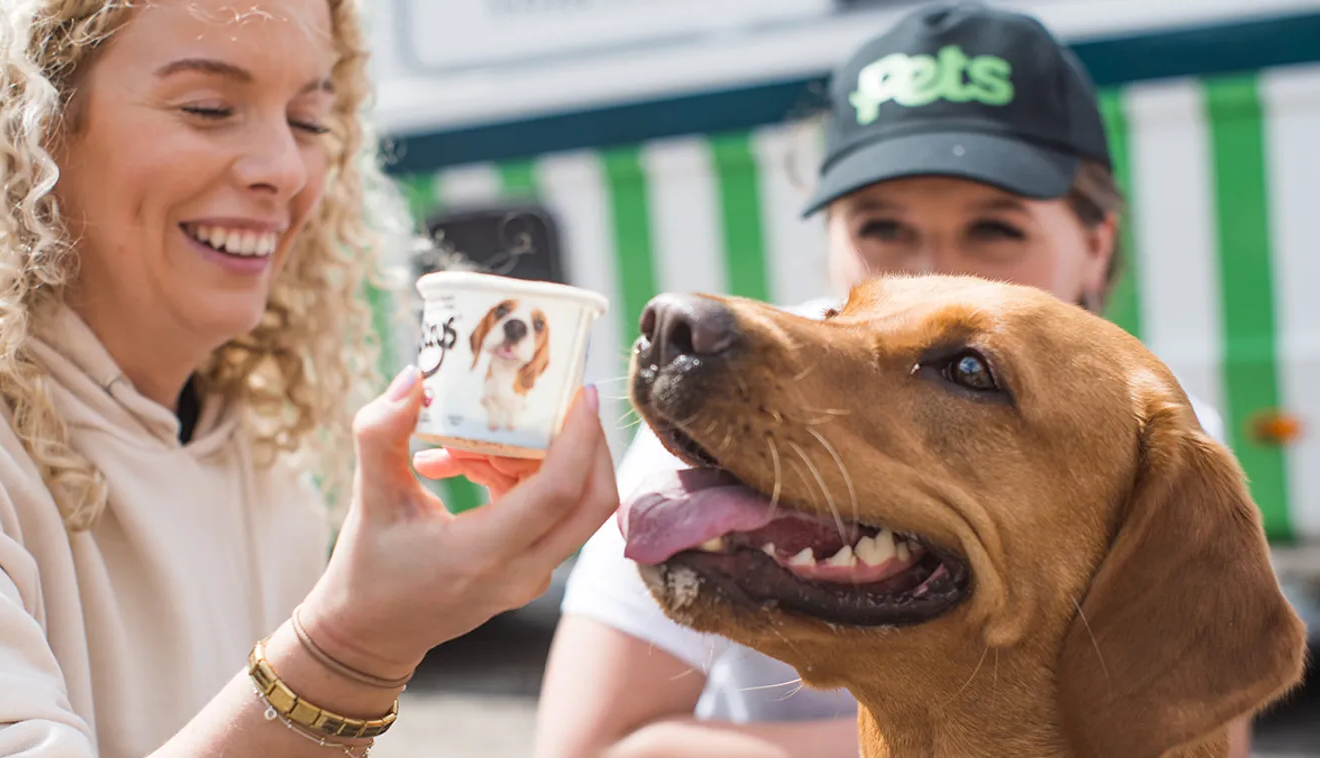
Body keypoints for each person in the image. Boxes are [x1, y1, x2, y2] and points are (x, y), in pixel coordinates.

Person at [521, 4, 1254, 757]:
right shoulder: (726, 408)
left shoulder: (1160, 434)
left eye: (968, 370)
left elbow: (1191, 728)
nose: (929, 273)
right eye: (880, 229)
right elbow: (592, 747)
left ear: (1096, 245)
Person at [0, 1, 618, 756]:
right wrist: (349, 648)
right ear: (31, 125)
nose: (284, 170)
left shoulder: (261, 455)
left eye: (311, 122)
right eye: (209, 108)